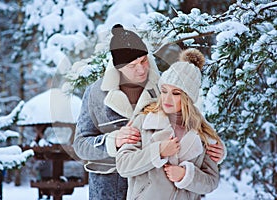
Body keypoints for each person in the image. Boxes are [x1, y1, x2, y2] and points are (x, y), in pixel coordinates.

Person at [73, 24, 225, 199]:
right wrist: (112, 141)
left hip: (156, 186)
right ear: (118, 66)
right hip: (108, 186)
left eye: (144, 60)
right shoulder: (95, 94)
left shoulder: (166, 85)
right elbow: (80, 145)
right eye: (132, 65)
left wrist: (215, 150)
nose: (141, 69)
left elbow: (193, 122)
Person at [116, 48, 222, 199]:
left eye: (176, 93)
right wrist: (157, 151)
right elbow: (123, 165)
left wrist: (186, 175)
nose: (167, 99)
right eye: (164, 91)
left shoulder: (202, 133)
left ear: (188, 98)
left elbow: (211, 181)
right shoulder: (144, 120)